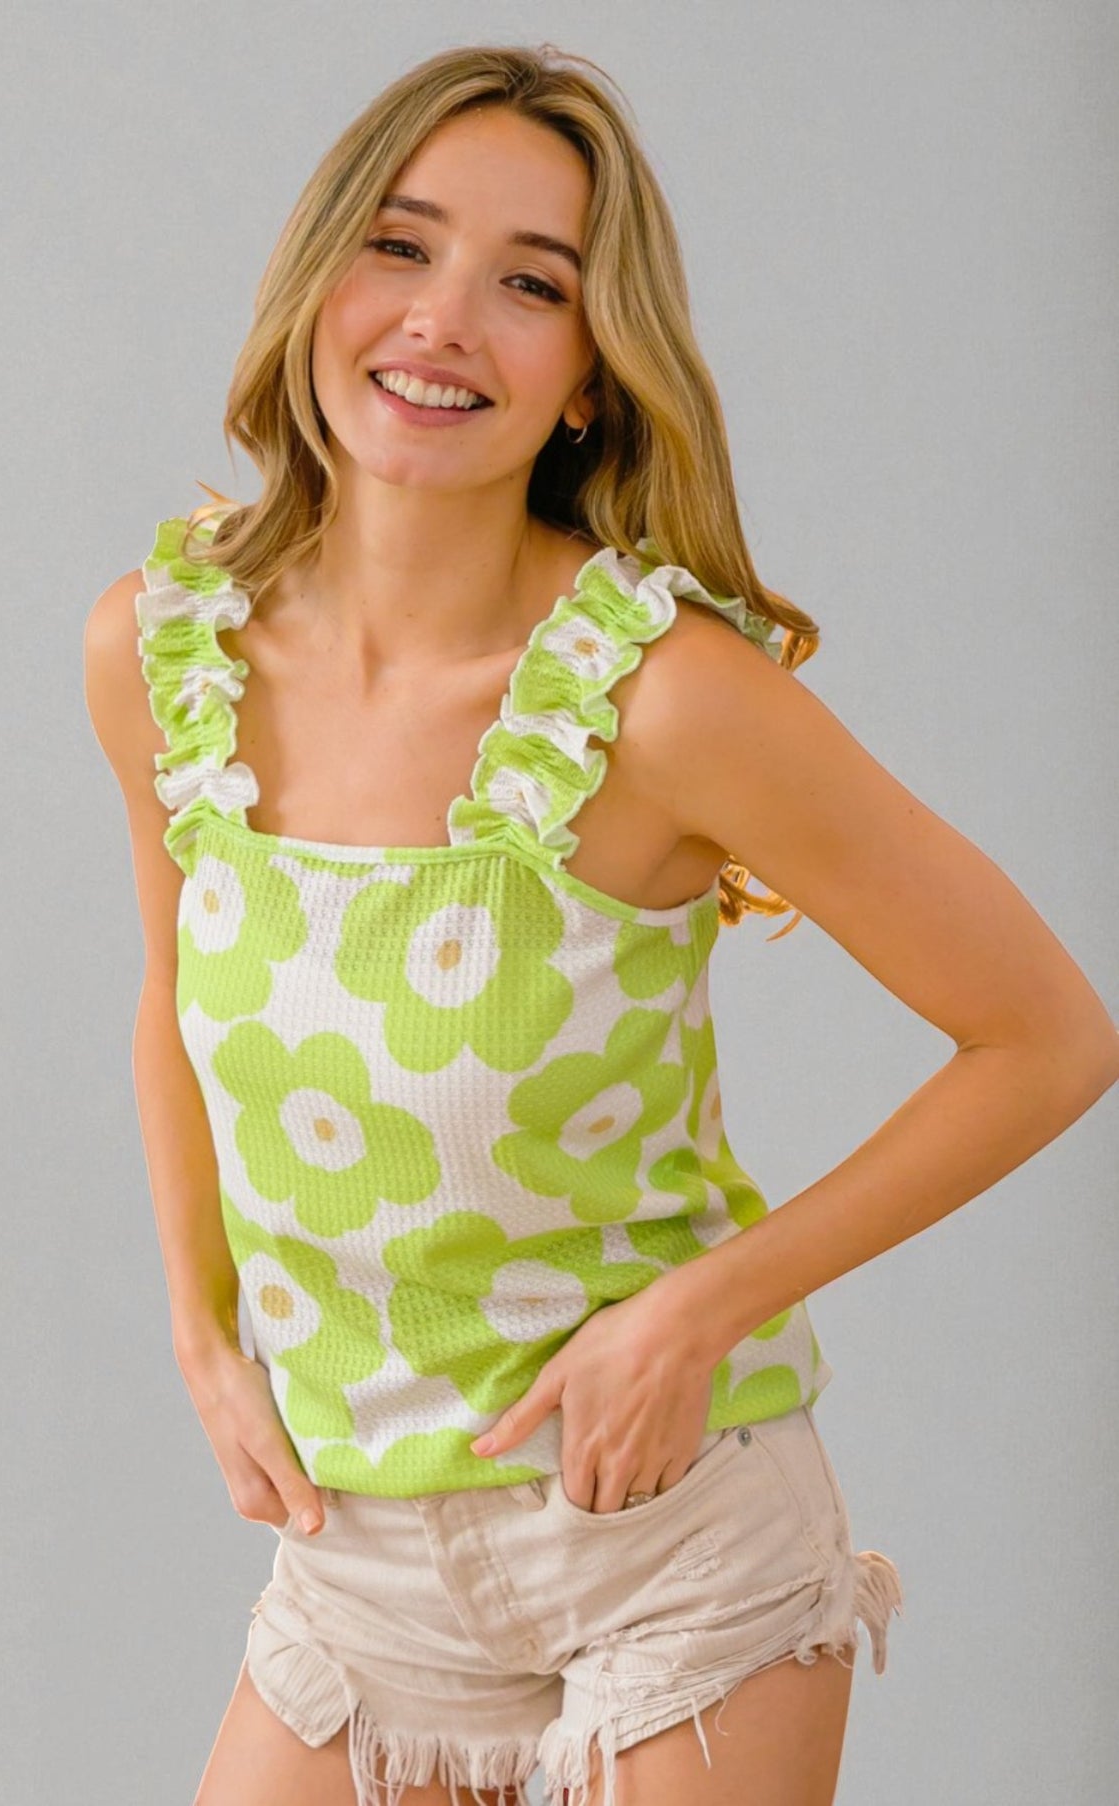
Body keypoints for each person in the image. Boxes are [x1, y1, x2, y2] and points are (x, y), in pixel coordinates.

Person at [83, 42, 1119, 1806]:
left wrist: (701, 1308)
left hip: (667, 1539)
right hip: (362, 1564)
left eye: (529, 283)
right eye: (399, 248)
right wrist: (199, 1325)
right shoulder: (163, 654)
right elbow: (173, 986)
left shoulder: (657, 698)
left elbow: (1048, 1036)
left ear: (583, 376)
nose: (443, 321)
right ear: (319, 277)